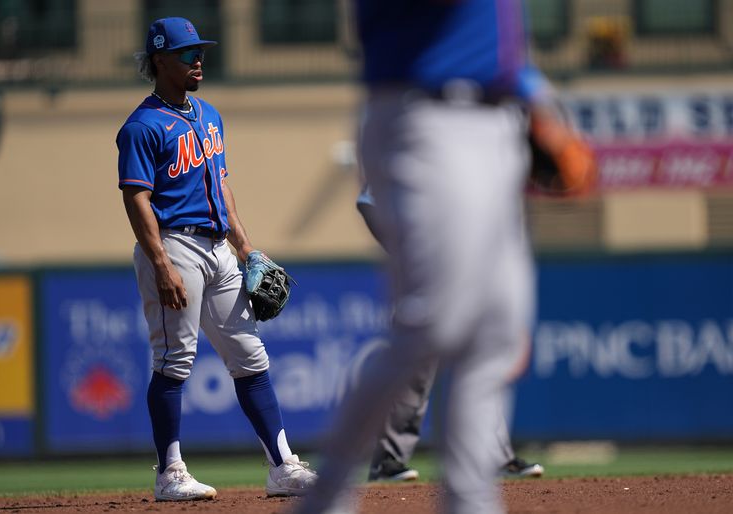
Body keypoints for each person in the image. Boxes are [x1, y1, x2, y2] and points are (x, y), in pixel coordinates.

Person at [295, 1, 557, 512]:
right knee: (434, 324)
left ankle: (471, 501)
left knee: (497, 330)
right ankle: (325, 497)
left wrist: (535, 94)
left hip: (497, 117)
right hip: (429, 116)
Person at [116, 17, 316, 502]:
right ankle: (170, 472)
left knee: (251, 356)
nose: (198, 60)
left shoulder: (208, 115)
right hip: (173, 243)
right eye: (187, 54)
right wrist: (160, 262)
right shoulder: (142, 126)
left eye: (200, 51)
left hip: (218, 246)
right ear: (160, 60)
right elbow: (136, 199)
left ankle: (282, 466)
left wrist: (246, 249)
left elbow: (222, 189)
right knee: (174, 360)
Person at [357, 186, 544, 483]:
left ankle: (494, 456)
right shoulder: (417, 151)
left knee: (480, 370)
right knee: (413, 375)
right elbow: (368, 200)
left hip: (473, 278)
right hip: (425, 282)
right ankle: (387, 461)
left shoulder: (483, 157)